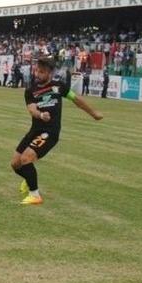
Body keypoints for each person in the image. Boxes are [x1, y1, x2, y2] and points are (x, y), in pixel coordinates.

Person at [12, 58, 103, 205]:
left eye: (41, 72)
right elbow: (32, 109)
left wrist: (94, 113)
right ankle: (29, 179)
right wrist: (40, 115)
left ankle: (35, 195)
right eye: (36, 70)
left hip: (50, 132)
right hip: (34, 130)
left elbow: (77, 100)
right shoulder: (31, 90)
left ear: (50, 73)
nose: (37, 74)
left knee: (26, 159)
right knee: (15, 164)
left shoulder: (59, 87)